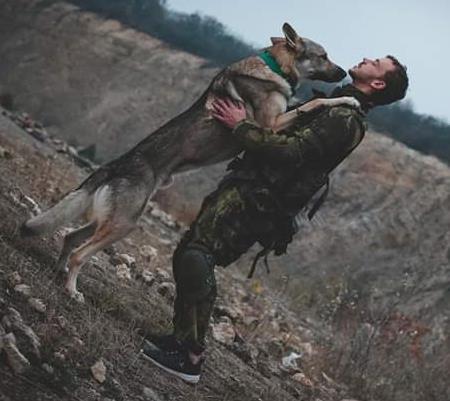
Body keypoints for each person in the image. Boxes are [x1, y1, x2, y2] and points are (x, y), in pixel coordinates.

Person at [141, 56, 409, 384]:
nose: (367, 57)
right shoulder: (335, 104)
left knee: (199, 255)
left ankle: (189, 355)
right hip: (248, 187)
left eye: (377, 62)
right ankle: (182, 340)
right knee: (190, 252)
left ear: (378, 83)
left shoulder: (345, 118)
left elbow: (290, 153)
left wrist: (240, 125)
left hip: (260, 202)